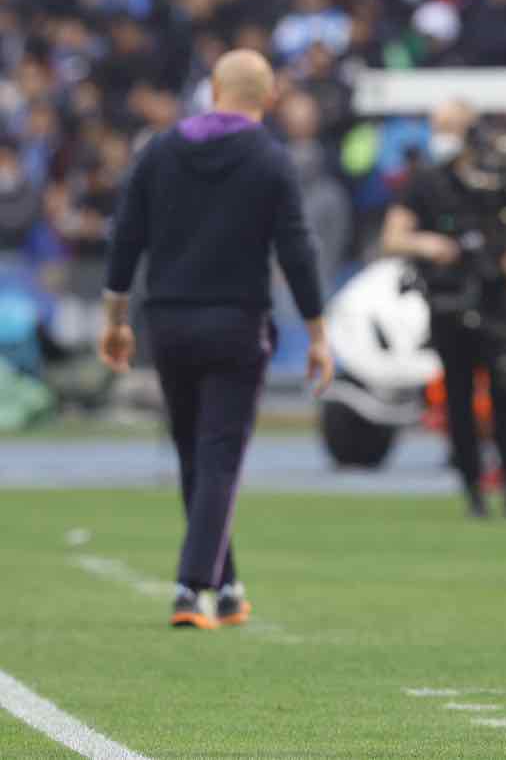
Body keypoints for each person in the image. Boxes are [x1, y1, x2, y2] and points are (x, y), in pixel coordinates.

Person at [98, 49, 334, 630]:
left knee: (193, 453)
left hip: (169, 324)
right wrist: (318, 334)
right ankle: (191, 586)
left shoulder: (160, 150)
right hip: (236, 323)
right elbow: (297, 250)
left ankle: (227, 587)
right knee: (220, 455)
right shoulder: (272, 160)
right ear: (269, 96)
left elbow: (126, 238)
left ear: (213, 88)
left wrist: (115, 320)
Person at [381, 100, 506, 519]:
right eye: (438, 126)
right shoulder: (425, 182)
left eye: (450, 126)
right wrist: (428, 245)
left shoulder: (500, 178)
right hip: (448, 296)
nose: (442, 135)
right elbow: (393, 236)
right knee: (458, 396)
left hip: (494, 295)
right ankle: (472, 488)